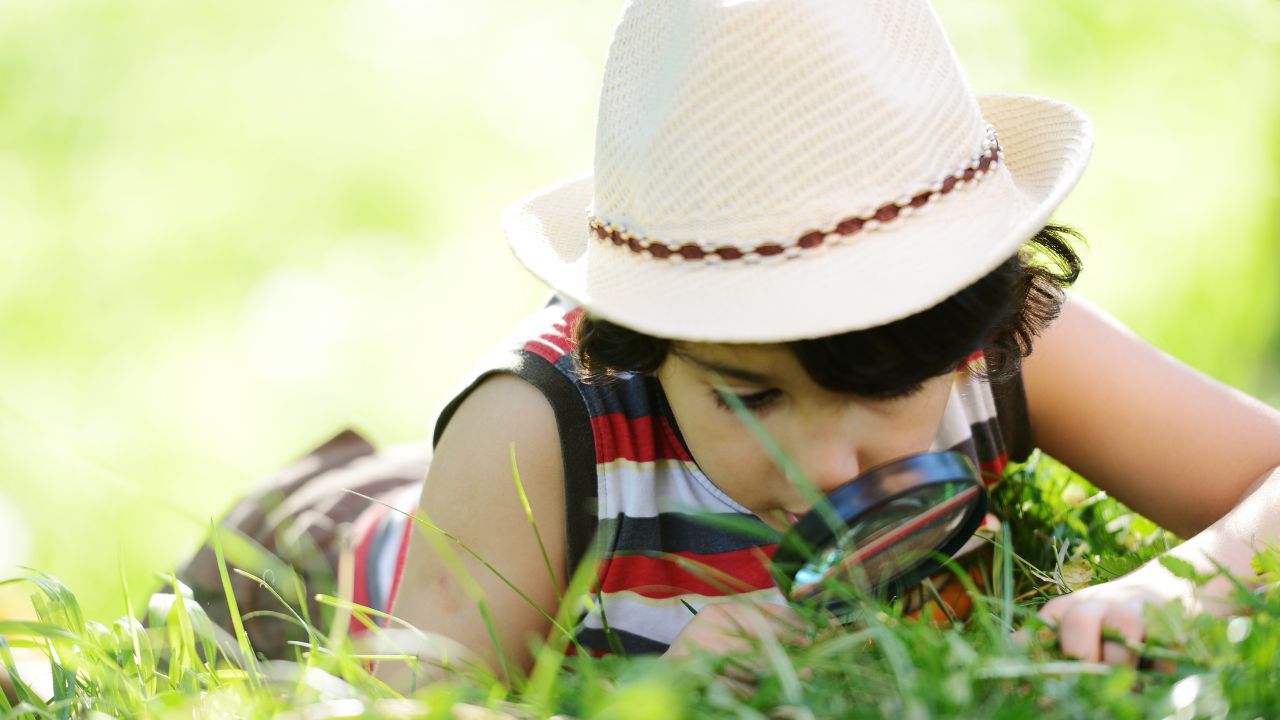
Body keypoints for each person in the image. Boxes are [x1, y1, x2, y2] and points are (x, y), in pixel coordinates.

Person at [173, 0, 1280, 690]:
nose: (826, 464)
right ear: (642, 344)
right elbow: (412, 696)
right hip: (338, 564)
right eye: (751, 397)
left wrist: (1189, 583)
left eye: (885, 394)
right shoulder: (534, 432)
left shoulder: (990, 343)